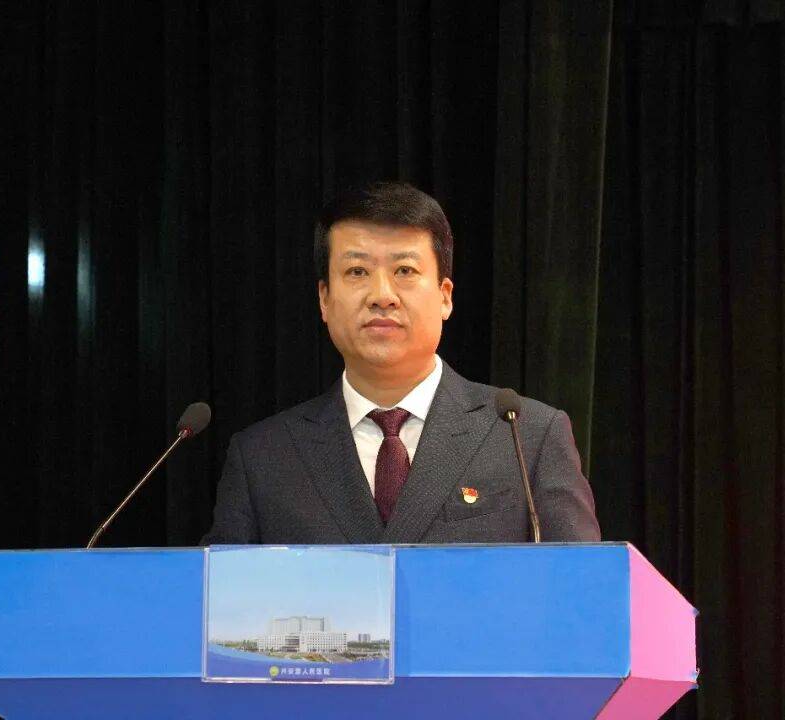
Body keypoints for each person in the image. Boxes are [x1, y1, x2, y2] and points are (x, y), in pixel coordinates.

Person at [202, 182, 599, 544]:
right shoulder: (263, 457)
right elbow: (219, 595)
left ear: (445, 296)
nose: (382, 295)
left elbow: (585, 588)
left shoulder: (527, 437)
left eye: (404, 271)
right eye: (357, 271)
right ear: (324, 299)